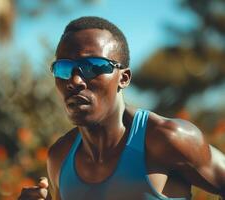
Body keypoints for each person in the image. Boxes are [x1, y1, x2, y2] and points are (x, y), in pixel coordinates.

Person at [18, 16, 225, 200]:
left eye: (92, 66)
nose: (75, 81)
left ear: (123, 78)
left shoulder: (167, 139)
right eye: (63, 68)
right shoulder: (59, 157)